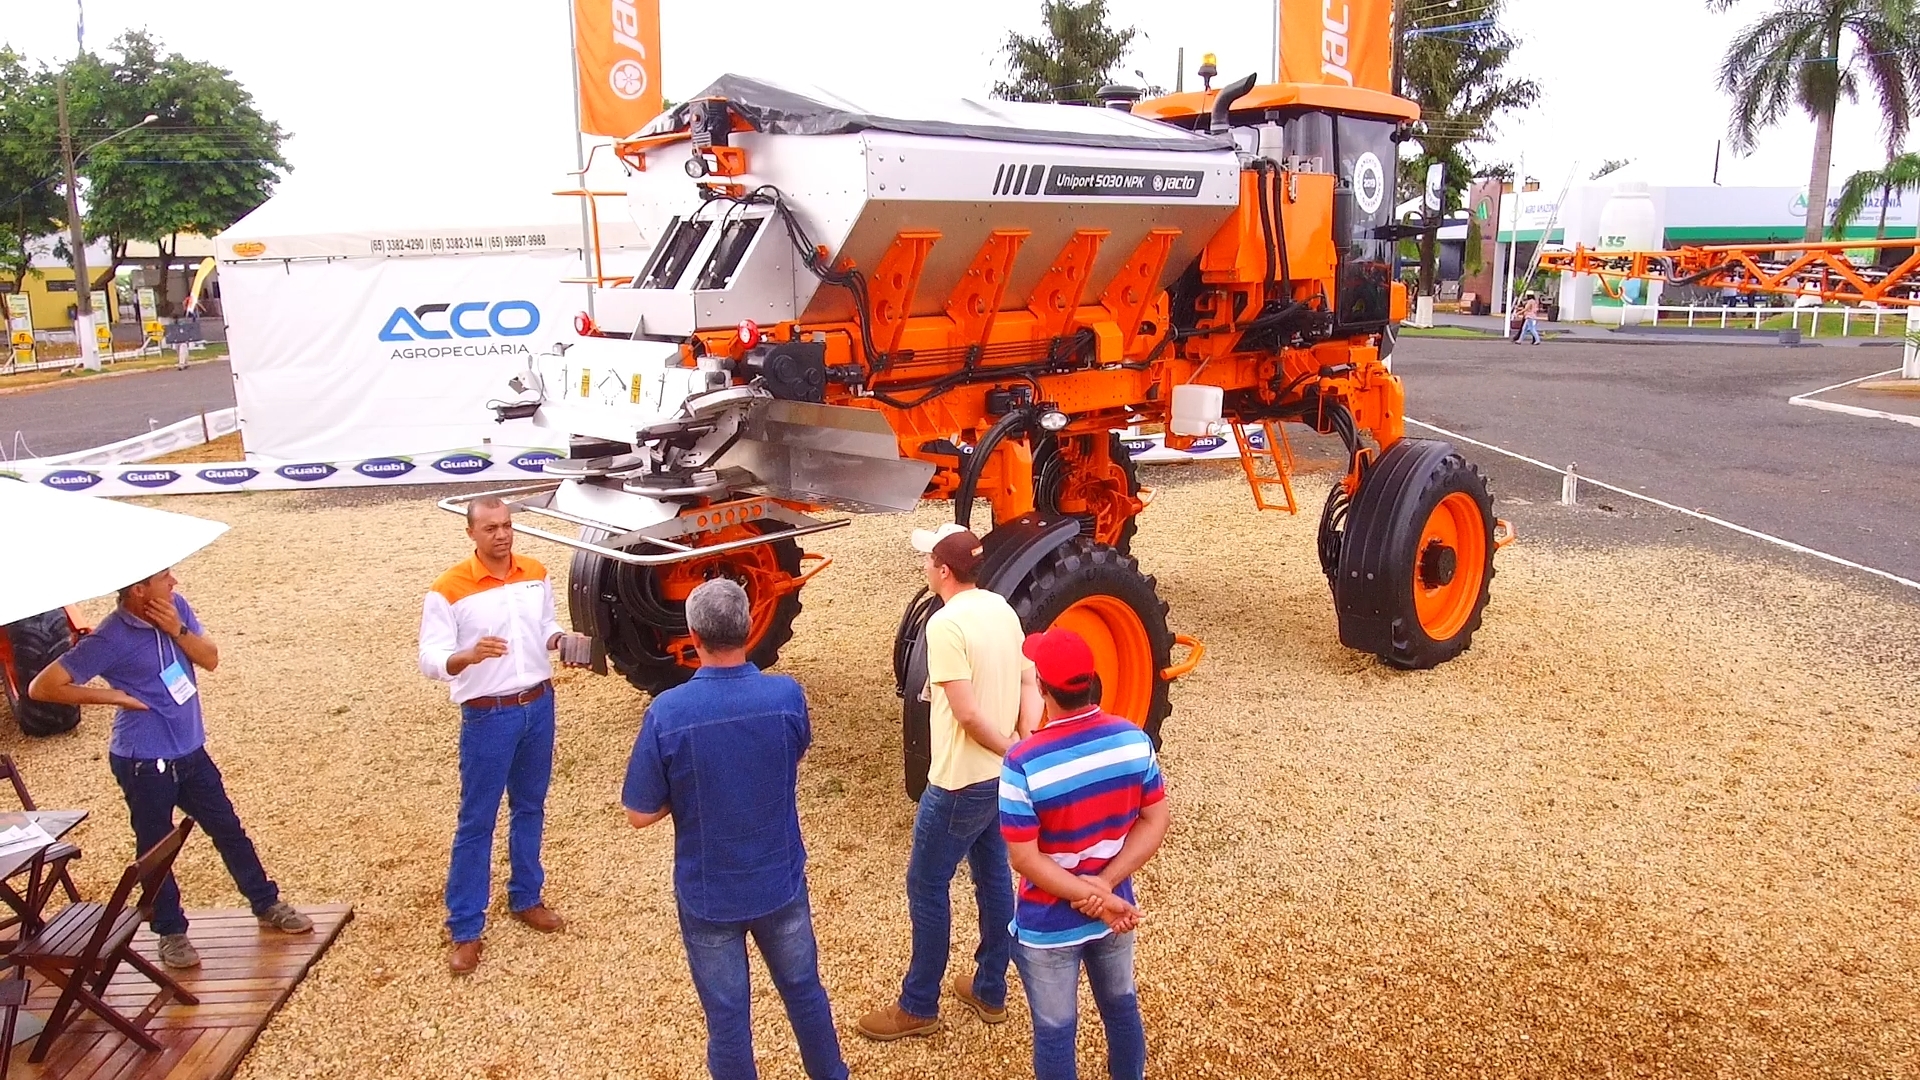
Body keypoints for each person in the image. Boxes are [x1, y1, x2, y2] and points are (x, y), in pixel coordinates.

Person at [28, 568, 314, 970]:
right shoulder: (111, 637)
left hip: (191, 752)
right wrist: (114, 696)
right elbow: (43, 686)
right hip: (144, 762)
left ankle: (266, 903)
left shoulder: (175, 607)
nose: (175, 582)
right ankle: (170, 932)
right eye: (165, 577)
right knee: (155, 849)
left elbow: (210, 658)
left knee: (228, 829)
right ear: (139, 589)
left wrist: (178, 629)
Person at [623, 579, 848, 1080]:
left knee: (728, 1021)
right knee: (805, 992)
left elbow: (639, 813)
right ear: (749, 627)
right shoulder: (787, 696)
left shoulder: (668, 713)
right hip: (780, 880)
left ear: (693, 635)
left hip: (710, 892)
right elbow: (795, 752)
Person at [858, 523, 1042, 1041]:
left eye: (928, 561)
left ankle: (918, 1004)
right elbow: (1030, 681)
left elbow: (964, 712)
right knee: (993, 883)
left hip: (959, 780)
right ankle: (990, 989)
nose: (925, 568)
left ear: (942, 570)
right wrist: (1024, 738)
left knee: (927, 886)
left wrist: (1013, 748)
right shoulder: (1001, 609)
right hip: (997, 781)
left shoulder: (945, 625)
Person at [418, 495, 590, 975]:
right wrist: (465, 656)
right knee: (477, 821)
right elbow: (430, 658)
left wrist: (558, 640)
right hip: (487, 715)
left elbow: (545, 625)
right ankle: (466, 927)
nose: (502, 534)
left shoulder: (535, 571)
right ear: (471, 533)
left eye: (507, 525)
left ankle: (525, 897)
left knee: (530, 806)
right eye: (490, 527)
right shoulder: (448, 590)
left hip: (538, 704)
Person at [999, 628, 1171, 1080]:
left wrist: (1091, 894)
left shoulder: (1022, 762)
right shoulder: (1135, 740)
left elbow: (1025, 858)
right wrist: (1108, 887)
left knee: (1056, 1032)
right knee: (1121, 1009)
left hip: (1048, 922)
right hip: (1116, 912)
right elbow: (1156, 819)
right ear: (1091, 679)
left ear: (1040, 686)